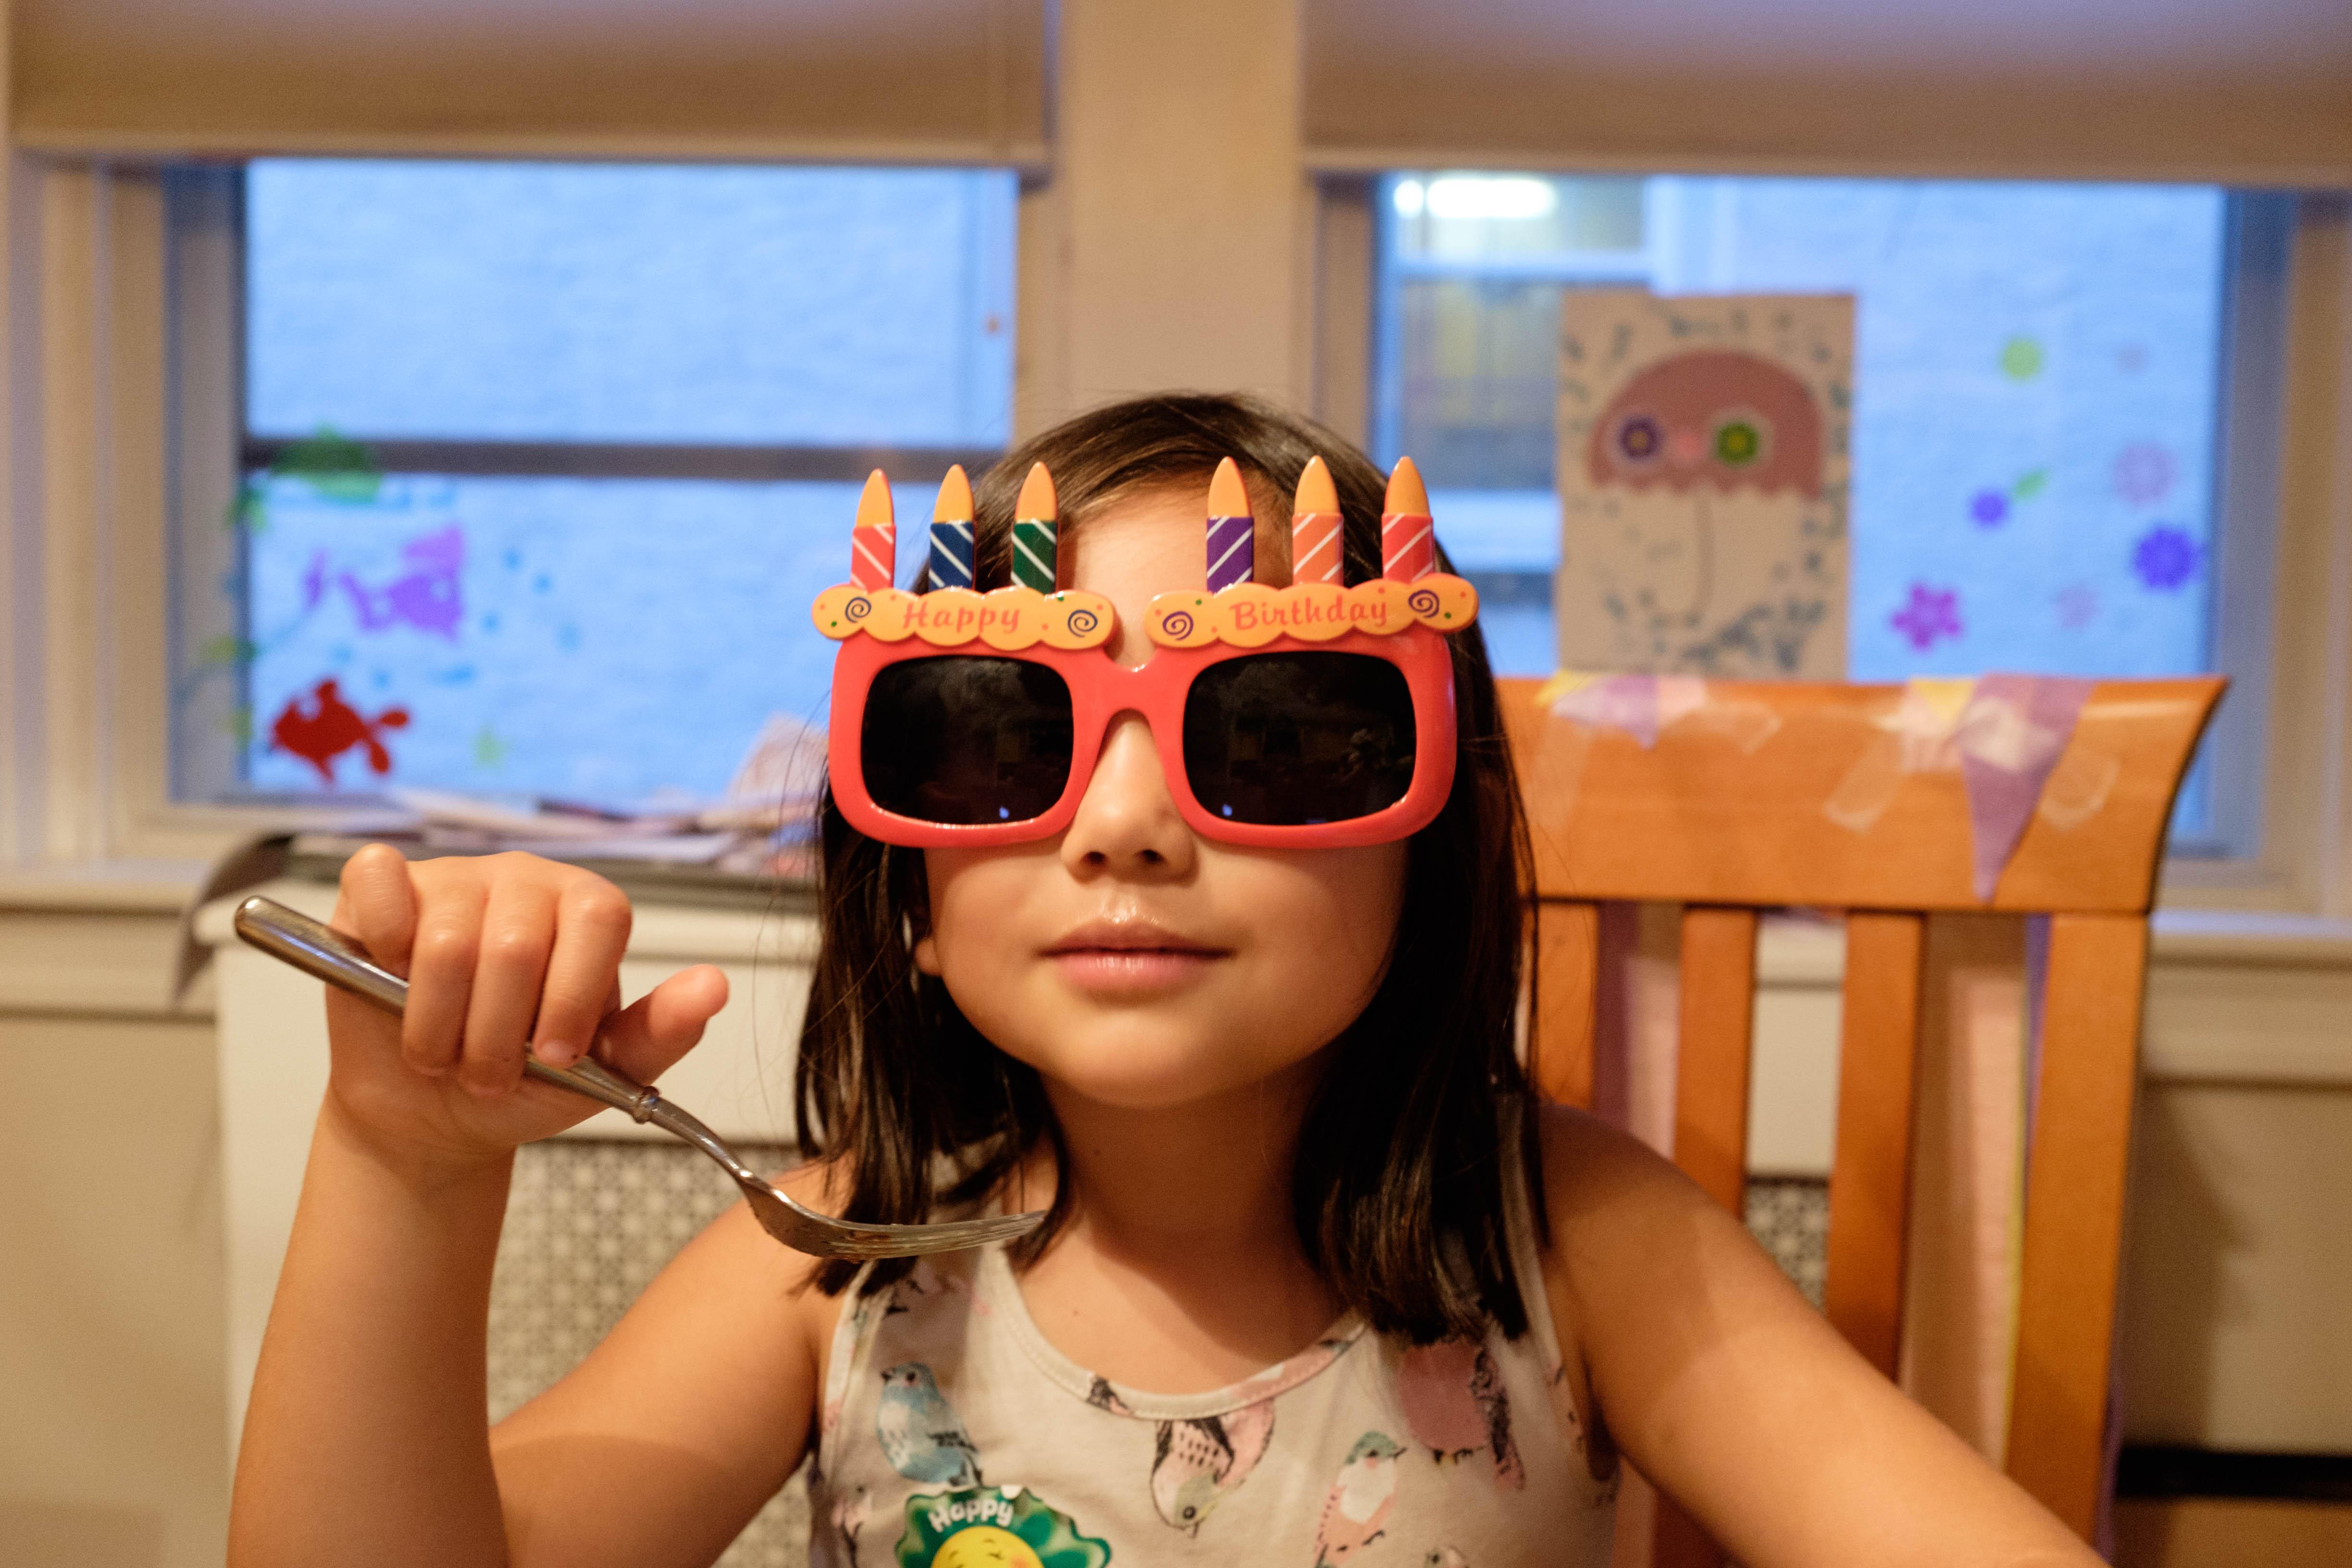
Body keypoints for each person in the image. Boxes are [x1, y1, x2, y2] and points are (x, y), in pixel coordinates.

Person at [228, 394, 2100, 1568]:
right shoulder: (840, 1262)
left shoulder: (1573, 1245)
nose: (1121, 824)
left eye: (1279, 738)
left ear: (1425, 862)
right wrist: (408, 1167)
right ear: (905, 898)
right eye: (993, 742)